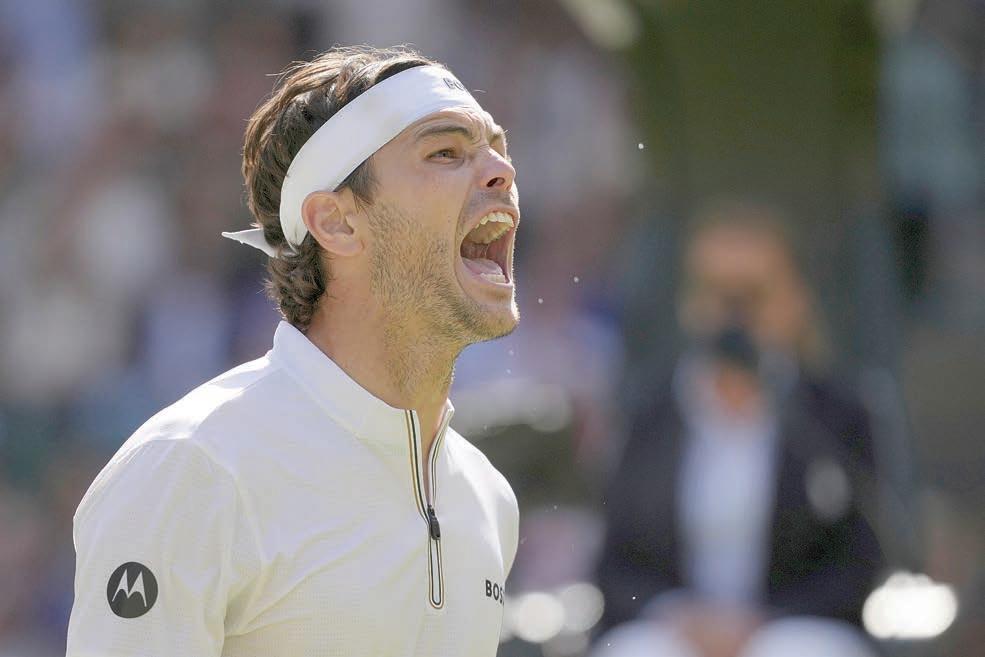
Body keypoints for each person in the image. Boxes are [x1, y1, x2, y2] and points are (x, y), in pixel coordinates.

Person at [66, 46, 521, 657]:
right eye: (446, 152)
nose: (501, 170)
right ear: (336, 222)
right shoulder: (191, 468)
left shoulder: (489, 498)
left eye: (497, 148)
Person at [592, 202, 884, 657]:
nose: (734, 315)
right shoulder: (647, 415)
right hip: (674, 631)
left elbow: (859, 561)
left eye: (752, 294)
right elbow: (617, 561)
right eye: (717, 293)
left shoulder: (834, 417)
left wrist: (760, 624)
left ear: (795, 300)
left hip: (794, 629)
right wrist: (682, 617)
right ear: (689, 303)